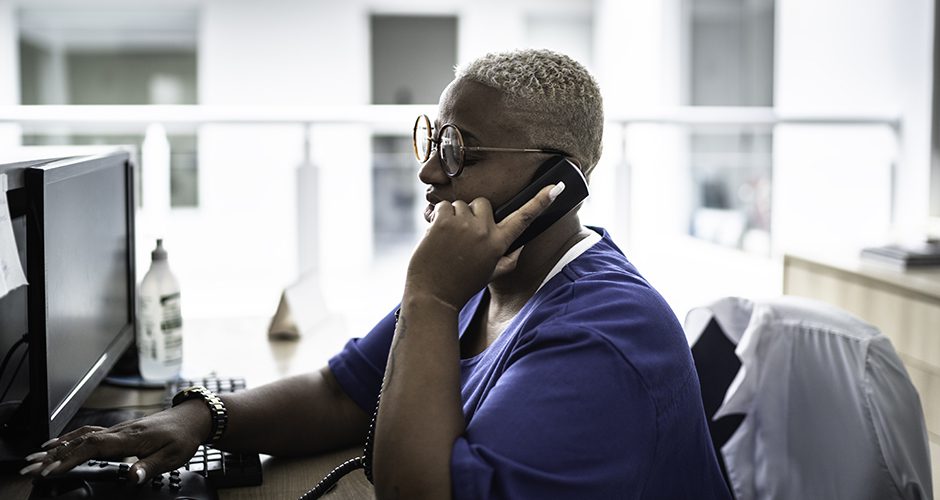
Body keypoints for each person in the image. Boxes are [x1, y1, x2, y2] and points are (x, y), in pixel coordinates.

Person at [20, 49, 731, 499]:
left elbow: (417, 493)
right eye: (434, 138)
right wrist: (199, 419)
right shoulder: (485, 278)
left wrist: (427, 296)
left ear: (559, 181)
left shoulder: (604, 336)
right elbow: (344, 391)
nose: (428, 171)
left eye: (460, 150)